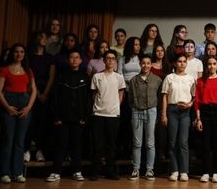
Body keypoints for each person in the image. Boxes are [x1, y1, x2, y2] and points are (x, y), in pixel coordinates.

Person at [0, 42, 38, 183]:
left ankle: (18, 172)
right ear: (12, 54)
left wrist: (28, 107)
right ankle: (4, 173)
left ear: (24, 54)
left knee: (20, 141)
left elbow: (34, 90)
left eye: (21, 52)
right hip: (10, 102)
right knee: (8, 140)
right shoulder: (5, 70)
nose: (19, 54)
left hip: (24, 103)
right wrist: (7, 107)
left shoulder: (28, 70)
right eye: (16, 52)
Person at [46, 48, 91, 182]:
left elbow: (87, 99)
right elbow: (54, 97)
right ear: (68, 60)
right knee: (61, 144)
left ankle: (77, 171)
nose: (74, 60)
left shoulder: (85, 76)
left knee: (77, 145)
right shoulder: (61, 76)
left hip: (79, 118)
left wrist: (85, 117)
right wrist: (56, 117)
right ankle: (56, 172)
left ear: (81, 61)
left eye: (77, 57)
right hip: (63, 117)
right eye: (72, 57)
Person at [87, 49, 126, 181]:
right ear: (104, 60)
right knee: (97, 144)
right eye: (107, 58)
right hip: (98, 114)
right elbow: (93, 95)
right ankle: (95, 171)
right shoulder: (97, 76)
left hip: (113, 115)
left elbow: (121, 93)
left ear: (115, 62)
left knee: (112, 145)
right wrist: (99, 106)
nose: (110, 61)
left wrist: (116, 106)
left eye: (112, 58)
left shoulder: (119, 77)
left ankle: (110, 171)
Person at [161, 54, 196, 181]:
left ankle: (184, 171)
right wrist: (164, 114)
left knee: (183, 142)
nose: (182, 64)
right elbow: (165, 96)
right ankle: (175, 170)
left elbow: (194, 97)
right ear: (175, 63)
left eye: (184, 61)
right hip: (172, 110)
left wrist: (189, 104)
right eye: (179, 61)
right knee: (172, 141)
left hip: (185, 111)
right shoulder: (169, 77)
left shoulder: (191, 78)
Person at [195, 55, 217, 183]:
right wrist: (198, 119)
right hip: (205, 113)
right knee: (206, 145)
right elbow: (197, 101)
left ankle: (216, 172)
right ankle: (205, 172)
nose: (212, 66)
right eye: (209, 64)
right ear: (206, 66)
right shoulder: (200, 81)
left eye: (214, 64)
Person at [127, 53, 160, 180]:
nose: (146, 65)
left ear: (151, 65)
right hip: (136, 111)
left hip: (151, 111)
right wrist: (135, 107)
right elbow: (130, 99)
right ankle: (136, 169)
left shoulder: (157, 80)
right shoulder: (134, 80)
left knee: (150, 143)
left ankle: (149, 170)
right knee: (137, 143)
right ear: (140, 64)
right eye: (143, 63)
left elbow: (159, 96)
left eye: (148, 63)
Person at [28, 30, 56, 162]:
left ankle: (40, 149)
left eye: (45, 38)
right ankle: (27, 149)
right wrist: (36, 92)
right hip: (30, 89)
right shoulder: (29, 56)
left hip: (45, 90)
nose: (45, 39)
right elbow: (29, 75)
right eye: (42, 37)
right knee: (30, 121)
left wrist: (44, 93)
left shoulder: (49, 57)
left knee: (43, 121)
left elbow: (51, 77)